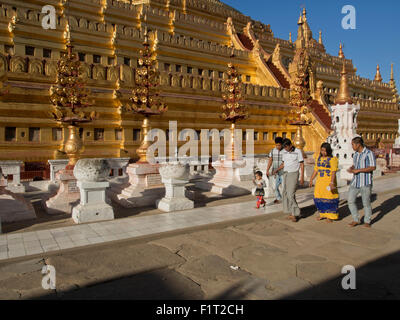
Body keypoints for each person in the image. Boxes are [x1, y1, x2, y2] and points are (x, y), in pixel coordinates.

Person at [347, 136, 376, 228]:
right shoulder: (355, 154)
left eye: (352, 144)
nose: (352, 146)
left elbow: (373, 167)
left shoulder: (369, 153)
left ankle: (367, 220)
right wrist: (352, 168)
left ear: (358, 144)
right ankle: (356, 219)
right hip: (355, 182)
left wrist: (359, 170)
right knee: (350, 201)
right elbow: (356, 165)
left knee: (366, 202)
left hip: (365, 182)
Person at [273, 138, 304, 222]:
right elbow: (283, 164)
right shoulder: (284, 152)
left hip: (294, 174)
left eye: (286, 147)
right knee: (285, 193)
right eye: (284, 147)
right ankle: (292, 212)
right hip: (286, 173)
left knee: (291, 193)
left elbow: (301, 164)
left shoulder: (298, 151)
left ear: (290, 145)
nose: (285, 148)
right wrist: (277, 169)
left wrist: (302, 177)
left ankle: (296, 212)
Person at [309, 143, 339, 222]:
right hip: (320, 182)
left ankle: (330, 216)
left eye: (325, 151)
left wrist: (332, 182)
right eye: (322, 150)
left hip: (328, 182)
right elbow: (316, 170)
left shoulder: (333, 159)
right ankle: (322, 214)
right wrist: (311, 179)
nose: (323, 152)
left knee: (329, 197)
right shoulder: (319, 159)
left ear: (328, 151)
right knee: (319, 197)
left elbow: (333, 171)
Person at [266, 137, 284, 204]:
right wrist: (267, 170)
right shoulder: (272, 151)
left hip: (284, 172)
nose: (277, 146)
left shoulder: (285, 151)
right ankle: (278, 198)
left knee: (284, 187)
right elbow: (270, 160)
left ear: (282, 144)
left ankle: (286, 199)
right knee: (275, 187)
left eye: (279, 145)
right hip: (275, 173)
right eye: (276, 145)